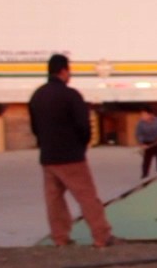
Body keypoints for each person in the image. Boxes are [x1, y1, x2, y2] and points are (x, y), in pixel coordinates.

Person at [28, 54, 116, 248]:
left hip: (48, 157)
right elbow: (83, 126)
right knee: (87, 197)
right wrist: (81, 145)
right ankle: (102, 236)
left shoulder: (37, 96)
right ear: (64, 71)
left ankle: (60, 238)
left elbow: (34, 128)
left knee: (54, 201)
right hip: (71, 157)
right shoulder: (71, 95)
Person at [135, 107, 157, 178]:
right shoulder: (140, 124)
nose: (142, 116)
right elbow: (139, 134)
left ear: (150, 115)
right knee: (146, 162)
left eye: (144, 114)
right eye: (142, 115)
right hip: (147, 143)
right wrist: (142, 144)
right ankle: (144, 177)